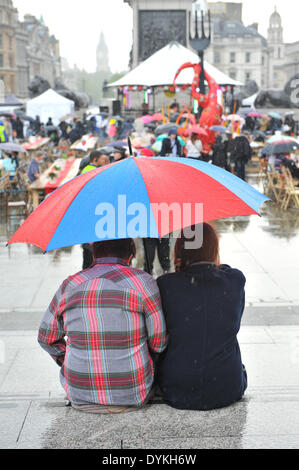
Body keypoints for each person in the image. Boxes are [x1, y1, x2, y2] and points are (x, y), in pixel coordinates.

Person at [38, 239, 167, 413]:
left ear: (94, 253)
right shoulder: (144, 283)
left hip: (79, 391)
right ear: (132, 253)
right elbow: (158, 343)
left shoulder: (70, 285)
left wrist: (68, 358)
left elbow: (46, 338)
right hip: (132, 392)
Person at [156, 223, 247, 411]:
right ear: (214, 248)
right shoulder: (234, 281)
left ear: (179, 249)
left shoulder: (166, 285)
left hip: (177, 387)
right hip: (227, 385)